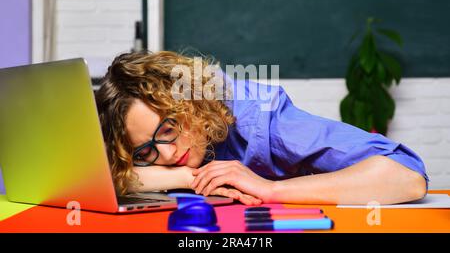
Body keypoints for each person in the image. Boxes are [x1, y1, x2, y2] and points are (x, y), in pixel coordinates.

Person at [95, 50, 428, 206]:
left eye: (168, 130)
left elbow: (407, 177)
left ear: (188, 105)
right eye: (147, 151)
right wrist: (187, 178)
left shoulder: (265, 121)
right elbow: (103, 175)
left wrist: (269, 190)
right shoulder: (165, 148)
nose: (167, 154)